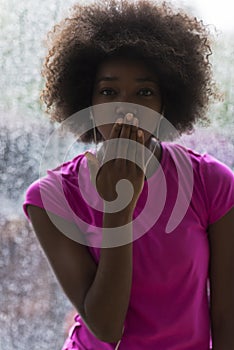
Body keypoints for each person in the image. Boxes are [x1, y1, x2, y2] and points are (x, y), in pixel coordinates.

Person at [22, 1, 234, 349]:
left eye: (144, 92)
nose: (127, 106)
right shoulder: (50, 197)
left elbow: (227, 316)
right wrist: (118, 210)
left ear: (166, 104)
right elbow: (107, 328)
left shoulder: (212, 182)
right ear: (86, 103)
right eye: (108, 92)